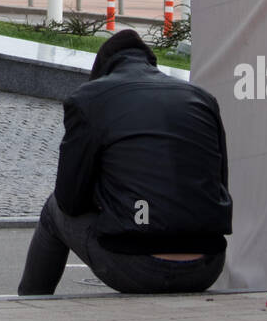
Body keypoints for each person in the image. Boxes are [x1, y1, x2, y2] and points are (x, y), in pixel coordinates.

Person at [18, 30, 231, 296]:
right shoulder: (202, 98)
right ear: (151, 63)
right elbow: (219, 185)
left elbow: (69, 198)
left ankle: (30, 300)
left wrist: (103, 199)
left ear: (101, 70)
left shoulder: (89, 99)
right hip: (207, 264)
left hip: (137, 266)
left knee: (53, 210)